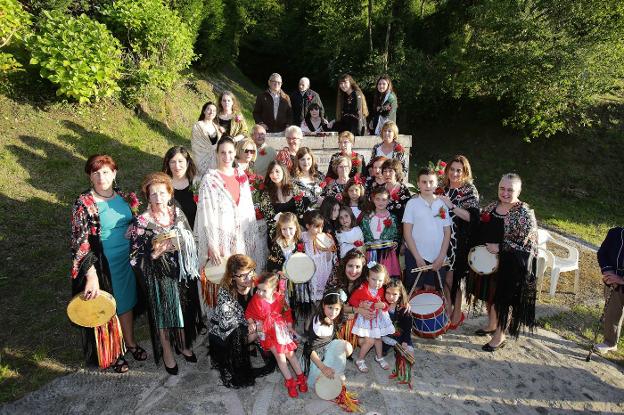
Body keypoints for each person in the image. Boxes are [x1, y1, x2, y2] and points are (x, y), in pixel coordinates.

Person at [70, 154, 146, 373]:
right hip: (102, 265)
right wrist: (91, 275)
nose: (101, 176)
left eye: (105, 172)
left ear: (114, 173)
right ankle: (112, 352)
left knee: (127, 301)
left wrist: (134, 230)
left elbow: (133, 222)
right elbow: (80, 243)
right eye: (95, 172)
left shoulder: (123, 196)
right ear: (89, 177)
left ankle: (130, 343)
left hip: (126, 261)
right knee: (105, 308)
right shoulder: (83, 203)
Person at [128, 173, 202, 375]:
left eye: (161, 192)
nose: (158, 197)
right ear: (148, 197)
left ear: (169, 193)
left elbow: (191, 239)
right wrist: (154, 254)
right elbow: (134, 257)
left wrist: (179, 243)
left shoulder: (177, 213)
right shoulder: (142, 222)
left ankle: (182, 343)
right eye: (153, 194)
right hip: (157, 276)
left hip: (180, 272)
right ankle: (167, 350)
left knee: (181, 310)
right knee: (162, 315)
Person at [474, 173, 538, 352]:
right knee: (490, 295)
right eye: (502, 188)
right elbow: (481, 224)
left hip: (511, 264)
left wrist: (500, 247)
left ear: (519, 191)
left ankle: (500, 336)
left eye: (510, 190)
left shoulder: (523, 213)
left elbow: (526, 243)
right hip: (490, 261)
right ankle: (492, 324)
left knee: (503, 300)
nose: (505, 193)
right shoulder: (493, 206)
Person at [195, 137, 258, 311]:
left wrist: (251, 236)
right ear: (217, 154)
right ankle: (222, 323)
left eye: (230, 152)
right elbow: (206, 214)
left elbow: (248, 209)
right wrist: (212, 244)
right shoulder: (210, 179)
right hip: (221, 240)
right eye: (222, 152)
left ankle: (241, 317)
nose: (227, 156)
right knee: (223, 281)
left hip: (240, 239)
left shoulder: (241, 176)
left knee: (240, 278)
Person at [208, 254, 276, 388]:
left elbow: (271, 303)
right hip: (228, 332)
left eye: (250, 272)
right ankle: (245, 352)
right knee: (238, 336)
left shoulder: (257, 283)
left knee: (274, 325)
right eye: (242, 275)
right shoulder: (225, 291)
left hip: (252, 324)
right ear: (233, 276)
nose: (248, 277)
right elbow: (228, 325)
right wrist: (254, 326)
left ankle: (256, 345)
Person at [245, 272, 307, 398]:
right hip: (268, 332)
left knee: (291, 355)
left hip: (281, 331)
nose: (260, 293)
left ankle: (301, 378)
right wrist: (251, 323)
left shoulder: (279, 298)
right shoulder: (256, 299)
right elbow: (249, 313)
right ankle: (290, 382)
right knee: (281, 358)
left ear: (273, 289)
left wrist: (289, 327)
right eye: (258, 289)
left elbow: (287, 312)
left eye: (264, 290)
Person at [437, 155, 480, 329]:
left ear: (464, 172)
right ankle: (447, 312)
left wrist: (452, 206)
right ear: (447, 171)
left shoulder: (469, 190)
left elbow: (472, 217)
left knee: (453, 278)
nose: (455, 173)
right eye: (452, 169)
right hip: (440, 240)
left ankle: (456, 315)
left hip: (458, 241)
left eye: (458, 170)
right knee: (443, 278)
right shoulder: (441, 188)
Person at [301, 289, 358, 409]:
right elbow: (309, 349)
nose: (333, 312)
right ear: (323, 305)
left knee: (347, 347)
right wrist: (323, 367)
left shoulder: (332, 316)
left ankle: (335, 370)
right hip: (316, 356)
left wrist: (355, 312)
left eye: (337, 309)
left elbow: (343, 317)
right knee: (324, 380)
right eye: (330, 307)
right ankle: (331, 370)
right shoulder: (319, 324)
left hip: (327, 347)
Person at [402, 168, 452, 293]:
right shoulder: (412, 204)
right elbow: (407, 233)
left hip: (437, 256)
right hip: (415, 256)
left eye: (431, 182)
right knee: (415, 290)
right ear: (418, 184)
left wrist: (441, 257)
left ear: (436, 184)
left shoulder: (441, 204)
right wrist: (418, 258)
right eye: (424, 182)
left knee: (432, 290)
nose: (428, 185)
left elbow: (447, 232)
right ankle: (411, 313)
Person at [266, 212, 312, 320]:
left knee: (296, 299)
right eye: (284, 229)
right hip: (284, 278)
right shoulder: (277, 244)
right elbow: (271, 262)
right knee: (285, 301)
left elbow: (304, 259)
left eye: (290, 228)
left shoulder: (299, 243)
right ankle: (287, 320)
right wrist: (279, 271)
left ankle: (297, 319)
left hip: (297, 277)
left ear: (296, 227)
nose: (287, 232)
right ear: (280, 229)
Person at [349, 262, 394, 373]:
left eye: (380, 280)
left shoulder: (382, 290)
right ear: (368, 278)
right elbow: (352, 300)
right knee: (370, 341)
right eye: (374, 279)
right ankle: (360, 359)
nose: (377, 283)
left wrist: (383, 305)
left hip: (377, 319)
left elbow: (385, 303)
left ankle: (379, 357)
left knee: (378, 339)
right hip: (366, 319)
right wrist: (361, 305)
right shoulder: (362, 288)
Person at [257, 160, 309, 242]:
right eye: (271, 172)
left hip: (296, 230)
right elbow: (270, 220)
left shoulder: (294, 188)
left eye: (277, 171)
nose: (274, 175)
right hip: (278, 233)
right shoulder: (266, 194)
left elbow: (301, 212)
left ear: (283, 172)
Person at [594, 227, 624, 354]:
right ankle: (610, 342)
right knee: (611, 312)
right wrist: (608, 272)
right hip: (612, 282)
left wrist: (622, 279)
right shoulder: (615, 233)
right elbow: (602, 253)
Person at [360, 187, 401, 279]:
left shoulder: (392, 218)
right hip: (371, 253)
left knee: (386, 277)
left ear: (388, 201)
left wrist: (396, 242)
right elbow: (362, 233)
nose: (380, 202)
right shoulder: (367, 217)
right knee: (371, 276)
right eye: (377, 199)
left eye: (384, 199)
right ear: (373, 199)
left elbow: (397, 234)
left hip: (387, 254)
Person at [382, 279, 414, 388]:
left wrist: (405, 341)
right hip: (385, 335)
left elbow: (407, 328)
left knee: (407, 352)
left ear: (400, 294)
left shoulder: (404, 309)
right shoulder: (382, 304)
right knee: (382, 352)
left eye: (394, 294)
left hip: (400, 334)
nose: (390, 297)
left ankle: (405, 375)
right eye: (388, 293)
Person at [302, 210, 338, 302]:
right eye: (316, 227)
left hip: (324, 273)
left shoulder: (325, 238)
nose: (320, 230)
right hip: (309, 276)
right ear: (307, 226)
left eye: (321, 226)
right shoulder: (303, 239)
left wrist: (329, 250)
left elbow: (329, 260)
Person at [162, 146, 199, 228]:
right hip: (172, 236)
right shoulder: (163, 186)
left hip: (196, 234)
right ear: (168, 164)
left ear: (187, 163)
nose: (177, 166)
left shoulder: (197, 183)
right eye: (173, 162)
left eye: (180, 161)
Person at [192, 101, 221, 176]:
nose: (211, 112)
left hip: (215, 161)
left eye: (214, 110)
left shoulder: (217, 128)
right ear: (204, 111)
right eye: (209, 109)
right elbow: (196, 145)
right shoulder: (198, 126)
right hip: (201, 158)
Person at [381, 158, 411, 223]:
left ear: (396, 173)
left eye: (390, 171)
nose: (387, 174)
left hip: (399, 227)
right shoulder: (380, 188)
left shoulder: (403, 190)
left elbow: (408, 213)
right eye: (385, 171)